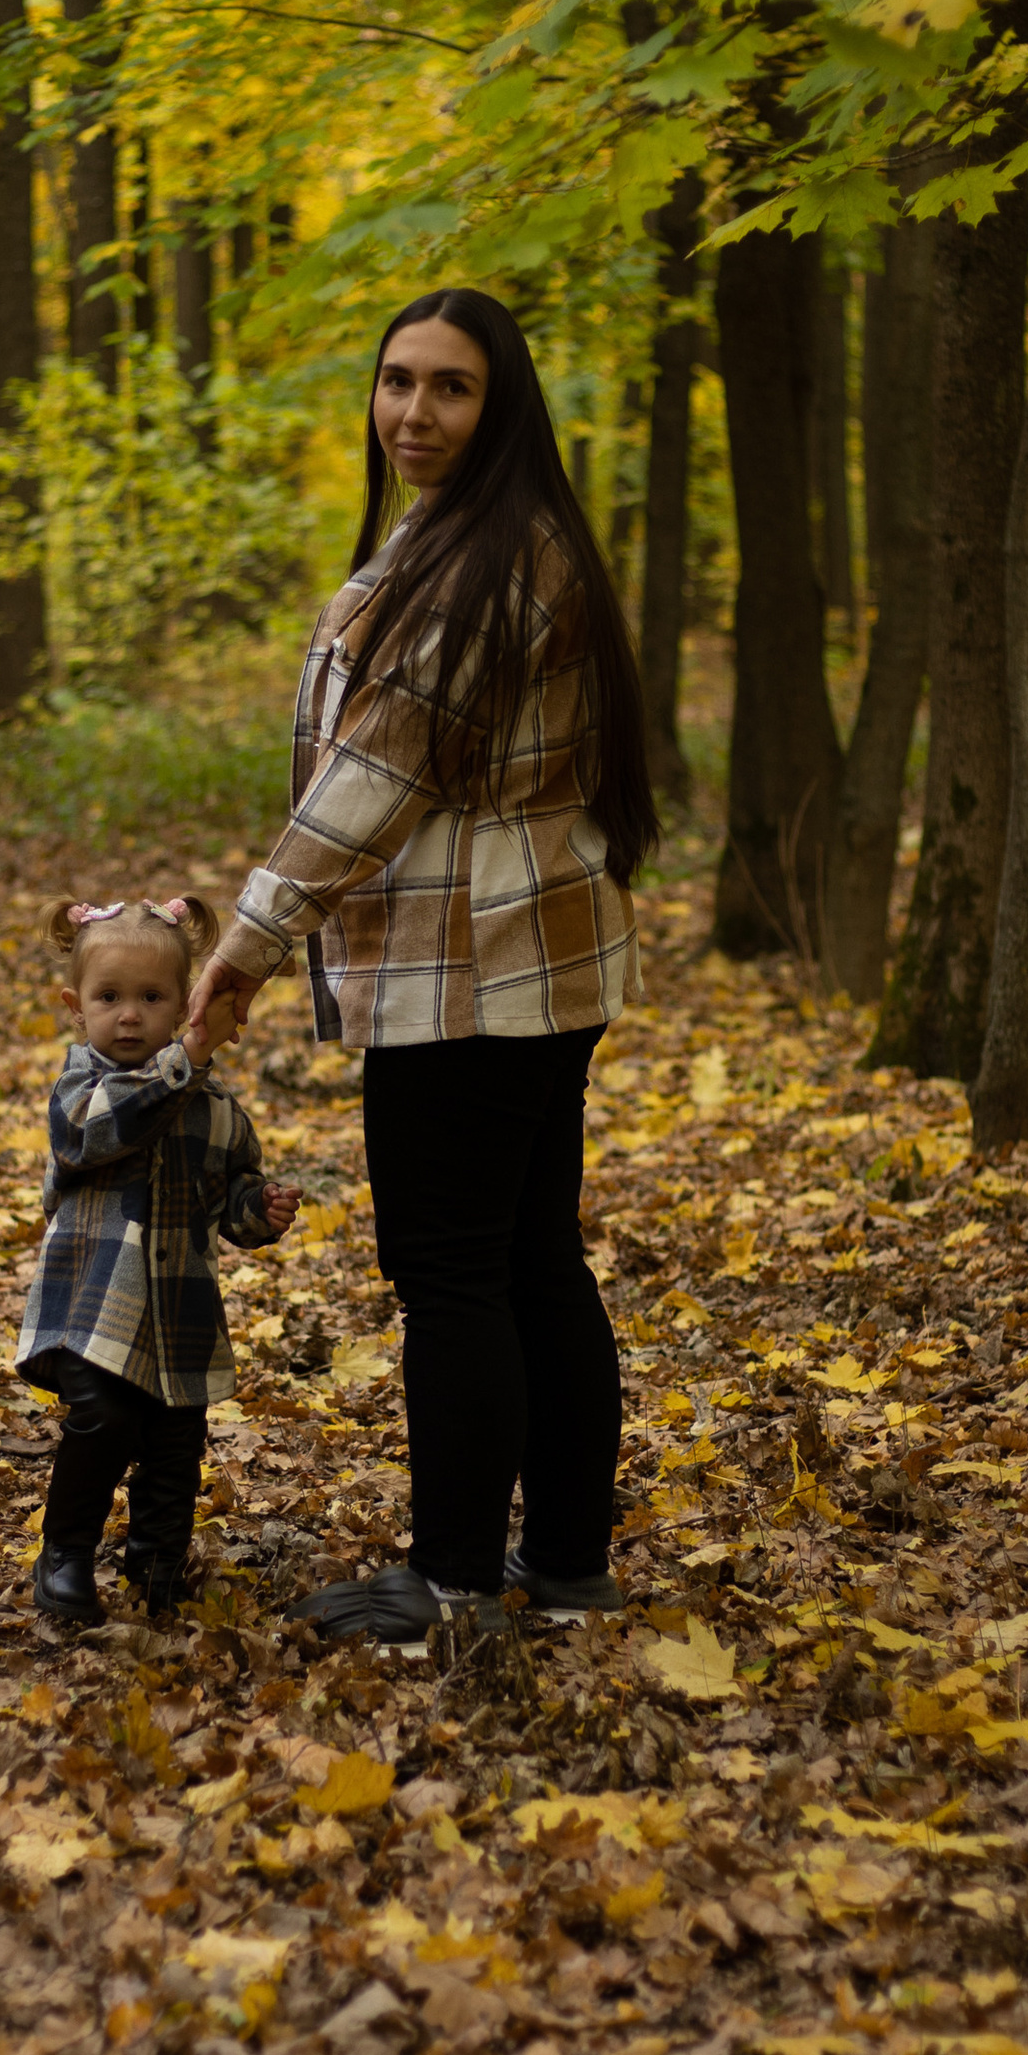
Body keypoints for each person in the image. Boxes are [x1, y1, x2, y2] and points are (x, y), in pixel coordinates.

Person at [182, 288, 654, 1640]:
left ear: (501, 406)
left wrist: (252, 938)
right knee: (525, 1262)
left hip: (476, 972)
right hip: (517, 963)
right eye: (397, 382)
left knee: (461, 1274)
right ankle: (561, 1567)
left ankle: (454, 1580)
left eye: (449, 388)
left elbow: (377, 772)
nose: (414, 412)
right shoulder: (468, 539)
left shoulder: (492, 564)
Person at [15, 894, 299, 1629]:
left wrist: (255, 1208)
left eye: (151, 997)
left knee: (175, 1449)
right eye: (110, 998)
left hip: (178, 1313)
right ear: (76, 1008)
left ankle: (159, 1565)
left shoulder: (216, 1107)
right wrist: (185, 1065)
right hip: (93, 1305)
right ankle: (66, 1554)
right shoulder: (82, 1090)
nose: (130, 1015)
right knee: (103, 1422)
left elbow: (227, 1192)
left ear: (183, 1005)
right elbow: (101, 1134)